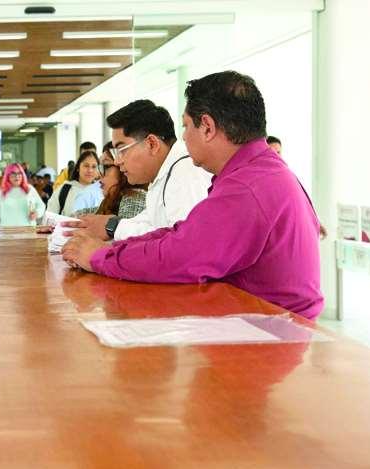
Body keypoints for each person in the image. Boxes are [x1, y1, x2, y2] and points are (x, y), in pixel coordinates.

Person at [63, 71, 323, 320]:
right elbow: (182, 235)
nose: (184, 138)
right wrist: (113, 249)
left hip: (273, 332)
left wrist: (99, 257)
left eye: (186, 126)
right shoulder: (257, 172)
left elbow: (178, 256)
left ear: (207, 127)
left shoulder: (247, 186)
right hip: (265, 321)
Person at [63, 99, 212, 241]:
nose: (117, 161)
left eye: (122, 150)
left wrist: (113, 228)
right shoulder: (162, 176)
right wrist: (108, 224)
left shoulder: (185, 173)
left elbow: (182, 242)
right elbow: (149, 224)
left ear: (152, 144)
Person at [74, 143, 147, 218]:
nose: (99, 176)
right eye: (100, 168)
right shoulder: (111, 201)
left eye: (106, 167)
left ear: (123, 167)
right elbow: (78, 215)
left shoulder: (135, 198)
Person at [0, 163, 45, 227]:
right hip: (8, 231)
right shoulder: (1, 193)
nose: (17, 176)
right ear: (7, 176)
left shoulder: (29, 189)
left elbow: (41, 205)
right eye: (13, 173)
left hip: (29, 230)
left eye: (19, 173)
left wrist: (37, 213)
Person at [46, 150, 101, 217]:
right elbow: (50, 216)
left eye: (94, 167)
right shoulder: (65, 189)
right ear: (78, 168)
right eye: (86, 166)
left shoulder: (101, 191)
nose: (90, 170)